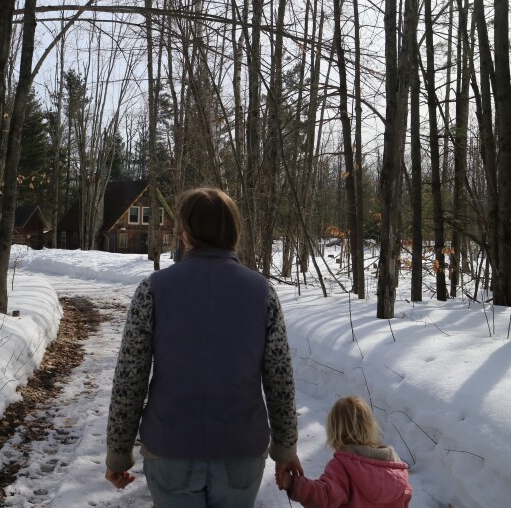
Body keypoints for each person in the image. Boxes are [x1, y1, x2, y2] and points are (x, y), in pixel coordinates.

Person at [105, 187, 303, 507]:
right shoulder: (262, 292)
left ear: (186, 233)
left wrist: (118, 453)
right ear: (234, 231)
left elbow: (130, 378)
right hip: (241, 452)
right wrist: (285, 448)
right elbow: (280, 379)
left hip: (170, 449)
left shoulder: (153, 290)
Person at [277, 396, 411, 508]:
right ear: (370, 427)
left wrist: (294, 484)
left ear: (335, 433)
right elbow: (405, 497)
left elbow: (325, 496)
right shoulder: (394, 467)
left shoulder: (343, 467)